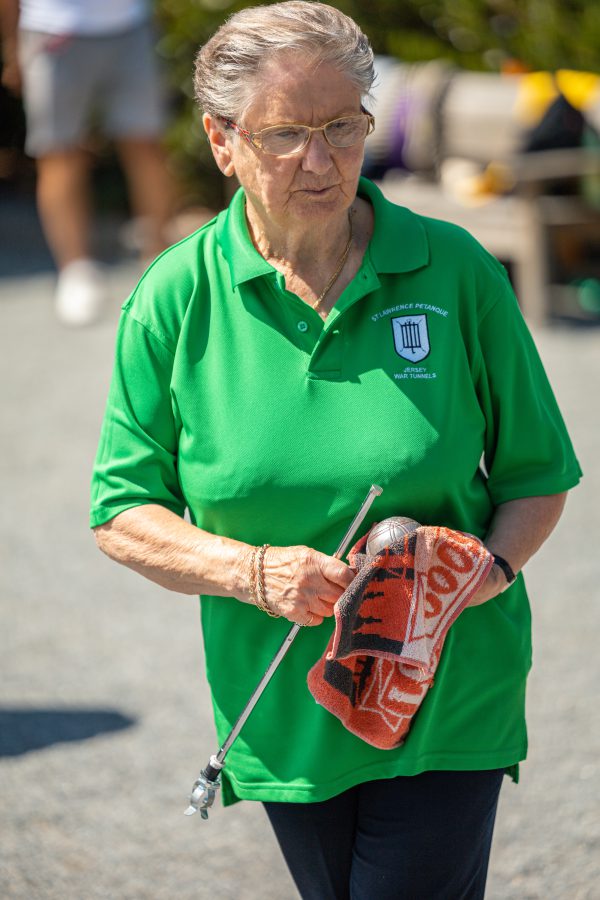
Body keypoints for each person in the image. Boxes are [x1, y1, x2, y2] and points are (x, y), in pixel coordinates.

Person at [89, 3, 582, 897]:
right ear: (222, 140)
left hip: (446, 684)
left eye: (343, 127)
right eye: (285, 134)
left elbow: (538, 475)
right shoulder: (172, 298)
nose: (321, 161)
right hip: (280, 705)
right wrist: (254, 571)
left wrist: (486, 574)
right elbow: (122, 513)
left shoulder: (454, 269)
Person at [0, 0, 174, 325]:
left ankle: (158, 261)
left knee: (146, 146)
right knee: (59, 154)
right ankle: (75, 269)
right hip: (52, 28)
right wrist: (13, 42)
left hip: (131, 24)